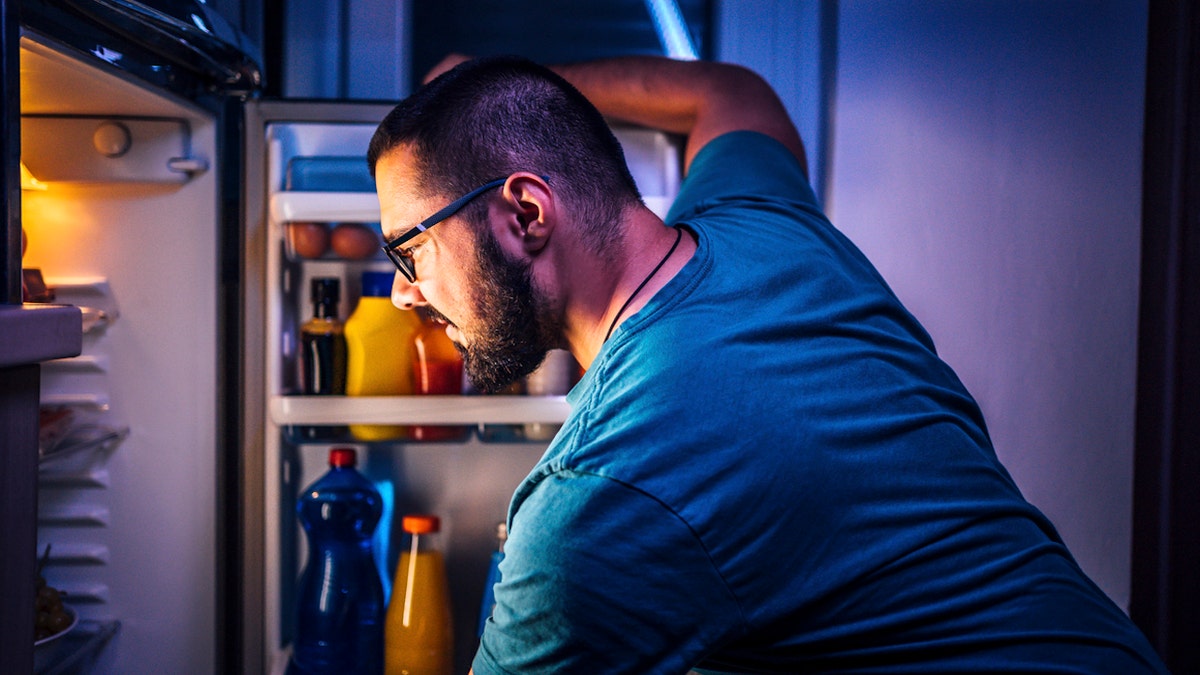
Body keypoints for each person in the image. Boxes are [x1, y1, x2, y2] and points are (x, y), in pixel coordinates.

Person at [367, 54, 1167, 674]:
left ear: (526, 212)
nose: (404, 294)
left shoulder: (601, 496)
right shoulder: (759, 220)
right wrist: (505, 86)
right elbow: (733, 94)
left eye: (410, 250)